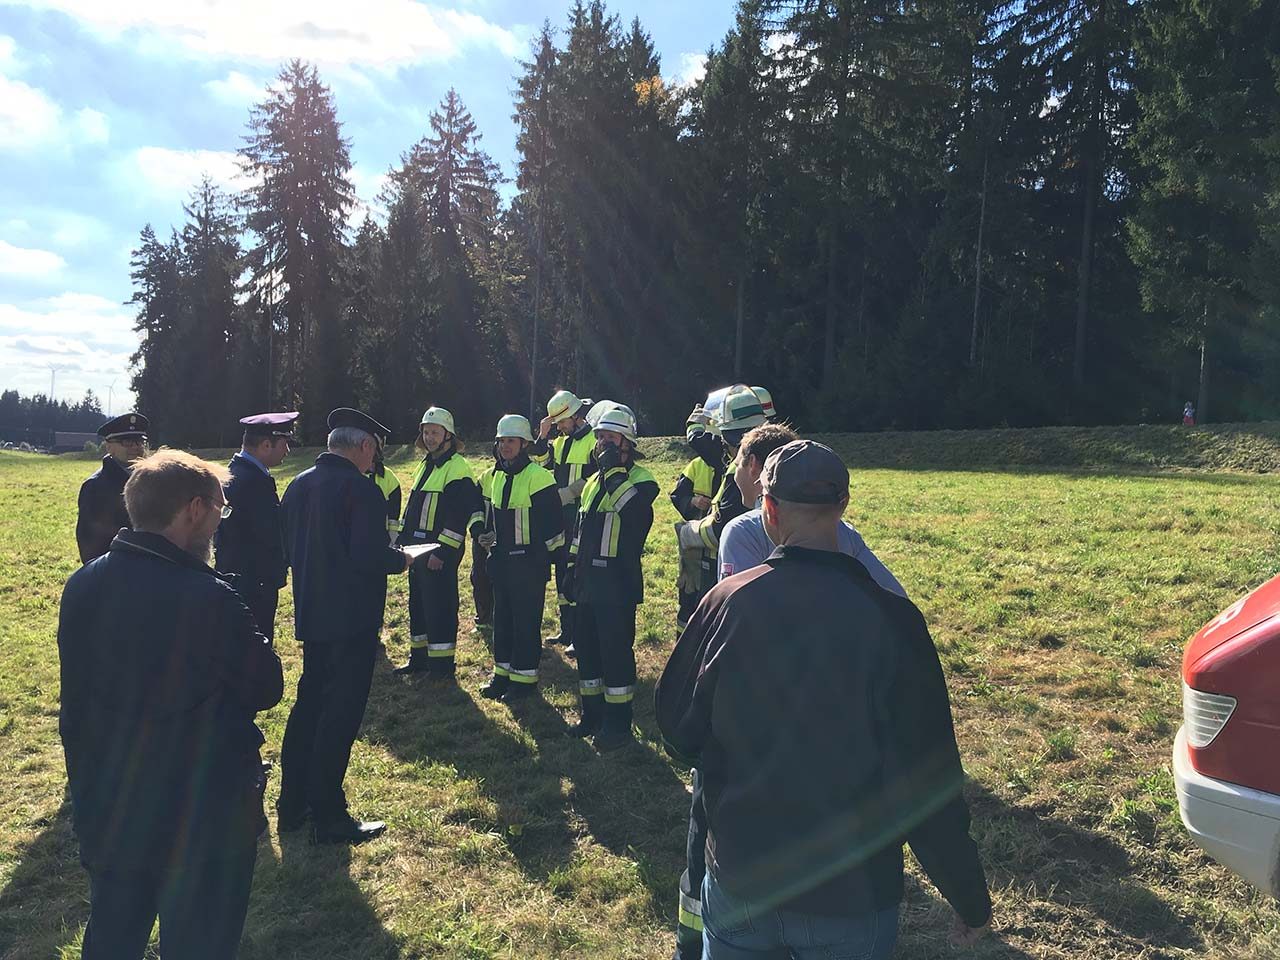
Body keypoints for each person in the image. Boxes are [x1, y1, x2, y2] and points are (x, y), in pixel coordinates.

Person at [656, 441, 992, 959]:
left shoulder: (727, 603)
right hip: (853, 898)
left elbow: (678, 729)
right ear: (843, 505)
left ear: (767, 509)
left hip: (742, 879)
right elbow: (928, 778)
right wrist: (968, 895)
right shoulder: (894, 620)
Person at [672, 423, 907, 960]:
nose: (733, 471)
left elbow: (730, 633)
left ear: (762, 483)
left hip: (750, 766)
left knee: (708, 837)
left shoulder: (741, 534)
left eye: (738, 461)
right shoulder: (844, 538)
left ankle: (695, 938)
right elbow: (894, 605)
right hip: (846, 856)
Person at [58, 450, 283, 960]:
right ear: (195, 510)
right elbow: (266, 686)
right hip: (200, 821)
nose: (221, 523)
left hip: (108, 805)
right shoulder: (209, 597)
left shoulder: (82, 584)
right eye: (221, 510)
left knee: (113, 935)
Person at [278, 408, 417, 844]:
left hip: (312, 615)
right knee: (339, 717)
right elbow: (368, 555)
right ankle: (329, 815)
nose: (374, 460)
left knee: (308, 709)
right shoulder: (361, 490)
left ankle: (292, 804)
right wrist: (402, 559)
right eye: (375, 451)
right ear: (365, 446)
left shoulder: (298, 485)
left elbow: (287, 548)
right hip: (352, 621)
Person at [567, 404, 659, 751]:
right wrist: (571, 568)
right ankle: (591, 715)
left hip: (617, 582)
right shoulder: (592, 482)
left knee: (615, 653)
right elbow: (580, 531)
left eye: (609, 437)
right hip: (587, 580)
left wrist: (614, 472)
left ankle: (618, 724)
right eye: (599, 437)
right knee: (587, 650)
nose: (602, 443)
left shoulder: (642, 480)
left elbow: (634, 516)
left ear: (627, 443)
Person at [476, 414, 565, 703]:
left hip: (529, 564)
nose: (505, 446)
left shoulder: (539, 477)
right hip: (502, 562)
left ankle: (524, 682)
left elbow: (554, 526)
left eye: (511, 441)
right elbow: (490, 516)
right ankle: (501, 676)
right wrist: (485, 537)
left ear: (525, 443)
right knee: (502, 622)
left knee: (525, 625)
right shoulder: (497, 476)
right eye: (501, 441)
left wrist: (551, 562)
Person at [394, 406, 482, 680]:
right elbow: (413, 509)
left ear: (448, 436)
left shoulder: (457, 468)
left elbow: (458, 516)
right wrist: (402, 542)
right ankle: (419, 659)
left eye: (435, 432)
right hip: (416, 550)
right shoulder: (426, 464)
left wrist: (443, 552)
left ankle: (442, 666)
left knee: (440, 607)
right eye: (426, 432)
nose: (429, 437)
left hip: (438, 552)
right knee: (418, 605)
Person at [673, 386, 768, 628]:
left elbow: (721, 528)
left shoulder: (740, 470)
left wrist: (687, 533)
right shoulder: (778, 458)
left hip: (739, 575)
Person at [214, 412, 296, 641]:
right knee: (253, 643)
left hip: (245, 578)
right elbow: (265, 535)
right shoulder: (250, 481)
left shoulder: (242, 474)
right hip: (252, 582)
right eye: (284, 443)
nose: (288, 451)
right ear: (266, 445)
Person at [532, 389, 597, 649]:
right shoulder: (560, 441)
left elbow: (596, 475)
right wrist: (542, 436)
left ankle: (580, 635)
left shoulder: (593, 440)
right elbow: (541, 463)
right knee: (562, 572)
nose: (558, 427)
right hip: (560, 518)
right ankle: (566, 630)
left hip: (582, 517)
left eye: (561, 422)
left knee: (577, 573)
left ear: (575, 416)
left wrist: (568, 493)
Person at [669, 406, 724, 632]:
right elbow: (677, 495)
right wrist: (691, 501)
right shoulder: (696, 465)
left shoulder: (731, 466)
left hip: (718, 549)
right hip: (695, 549)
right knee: (689, 599)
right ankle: (683, 640)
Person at [76, 412, 149, 564]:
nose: (136, 447)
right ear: (109, 447)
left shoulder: (152, 480)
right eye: (127, 442)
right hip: (118, 570)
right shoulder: (95, 487)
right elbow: (90, 548)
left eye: (140, 441)